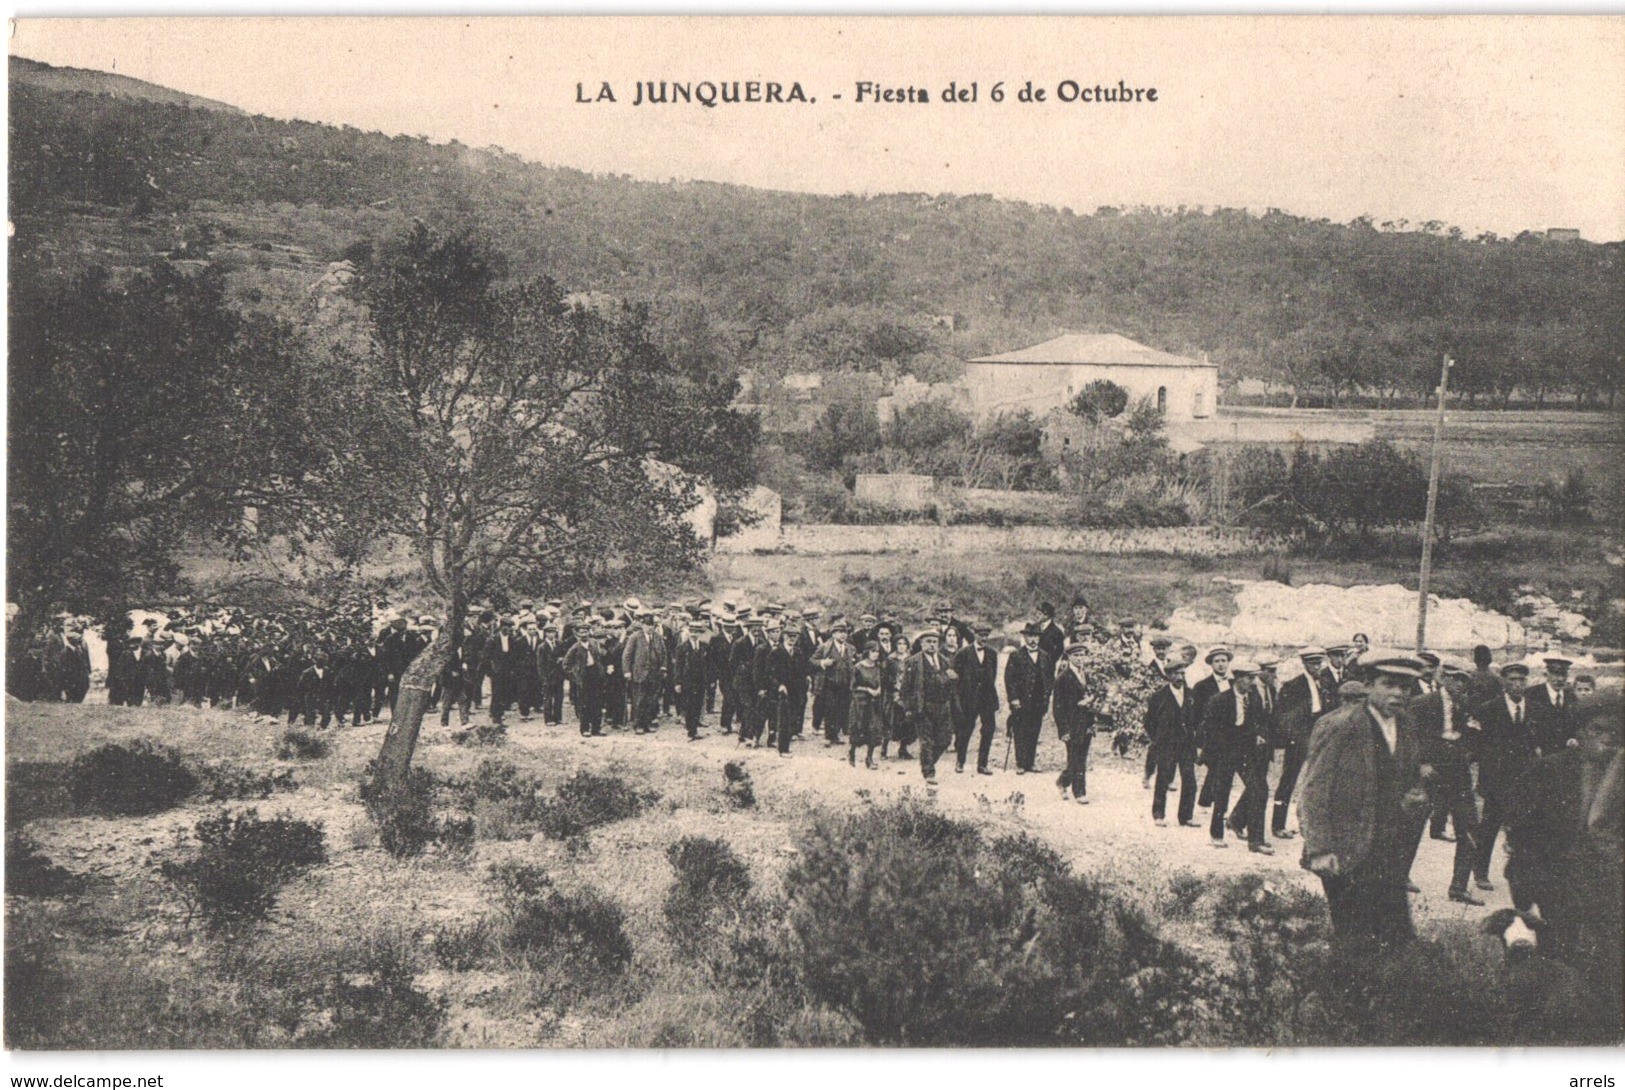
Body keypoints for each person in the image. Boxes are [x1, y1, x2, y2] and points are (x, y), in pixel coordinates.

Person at [1297, 652, 1431, 946]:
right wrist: (1320, 849)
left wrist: (1414, 796)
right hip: (1345, 852)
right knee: (1355, 938)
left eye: (1405, 687)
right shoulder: (1341, 725)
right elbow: (1313, 790)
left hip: (1389, 852)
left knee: (1397, 939)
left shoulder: (1406, 725)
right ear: (1368, 685)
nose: (1398, 693)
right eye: (1389, 684)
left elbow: (1407, 778)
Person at [1406, 656, 1483, 904]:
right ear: (1444, 678)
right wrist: (1420, 763)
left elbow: (1474, 734)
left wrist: (1467, 754)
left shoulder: (1468, 705)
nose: (1461, 685)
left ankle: (1458, 887)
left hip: (1458, 771)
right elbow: (1409, 737)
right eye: (1456, 679)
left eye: (1465, 680)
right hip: (1430, 770)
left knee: (1469, 824)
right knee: (1413, 823)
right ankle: (1399, 876)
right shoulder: (1422, 703)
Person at [1470, 661, 1539, 892]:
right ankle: (1480, 871)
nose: (1517, 684)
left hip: (1524, 777)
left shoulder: (1535, 708)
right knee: (1490, 825)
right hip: (1496, 778)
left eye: (1521, 680)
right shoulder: (1489, 708)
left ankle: (1520, 874)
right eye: (1512, 680)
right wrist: (1484, 774)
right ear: (1504, 683)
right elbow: (1478, 744)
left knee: (1522, 825)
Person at [1199, 660, 1270, 852]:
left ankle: (1256, 841)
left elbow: (1259, 721)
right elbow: (1208, 729)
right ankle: (1216, 834)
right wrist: (1217, 752)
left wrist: (1259, 735)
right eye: (1249, 678)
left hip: (1246, 753)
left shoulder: (1254, 698)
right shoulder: (1220, 700)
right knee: (1222, 793)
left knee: (1259, 789)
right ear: (1238, 679)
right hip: (1224, 752)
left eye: (1254, 678)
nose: (1252, 682)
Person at [1272, 646, 1335, 839]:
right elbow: (1285, 717)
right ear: (1305, 664)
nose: (1317, 667)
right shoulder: (1293, 686)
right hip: (1298, 740)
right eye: (1313, 663)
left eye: (1319, 663)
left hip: (1317, 737)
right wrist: (1296, 739)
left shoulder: (1323, 683)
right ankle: (1277, 824)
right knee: (1288, 781)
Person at [1146, 660, 1199, 826]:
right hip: (1167, 745)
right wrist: (1159, 739)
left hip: (1187, 745)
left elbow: (1197, 720)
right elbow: (1149, 722)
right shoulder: (1159, 697)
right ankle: (1159, 814)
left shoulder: (1191, 695)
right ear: (1168, 676)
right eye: (1176, 673)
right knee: (1163, 779)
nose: (1180, 677)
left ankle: (1186, 816)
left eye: (1182, 673)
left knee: (1190, 780)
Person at [1052, 640, 1106, 804]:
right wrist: (1064, 730)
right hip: (1072, 723)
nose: (1080, 658)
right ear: (1069, 657)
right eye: (1076, 655)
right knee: (1076, 758)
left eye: (1082, 655)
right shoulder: (1063, 678)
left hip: (1087, 723)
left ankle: (1063, 781)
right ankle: (1079, 792)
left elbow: (1095, 695)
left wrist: (1092, 703)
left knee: (1080, 757)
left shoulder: (1087, 675)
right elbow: (1058, 707)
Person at [904, 629, 956, 785]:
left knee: (945, 740)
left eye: (934, 642)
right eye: (928, 641)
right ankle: (929, 772)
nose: (932, 645)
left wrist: (952, 679)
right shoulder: (913, 662)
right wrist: (908, 708)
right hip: (923, 707)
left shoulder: (945, 661)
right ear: (921, 643)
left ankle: (928, 762)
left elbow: (951, 685)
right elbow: (905, 688)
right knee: (926, 741)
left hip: (942, 707)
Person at [1003, 622, 1053, 775]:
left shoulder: (1045, 656)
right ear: (1024, 637)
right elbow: (1009, 679)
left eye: (1036, 637)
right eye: (1030, 636)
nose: (1033, 640)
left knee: (1034, 730)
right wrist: (1014, 699)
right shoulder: (1016, 656)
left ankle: (1031, 762)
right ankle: (1020, 763)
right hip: (1022, 701)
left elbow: (1050, 678)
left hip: (1038, 701)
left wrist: (1047, 697)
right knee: (1020, 730)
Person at [952, 623, 1001, 775]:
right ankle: (960, 761)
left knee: (988, 730)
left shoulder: (992, 654)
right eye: (981, 635)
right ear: (974, 635)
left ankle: (982, 764)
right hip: (968, 699)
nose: (984, 638)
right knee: (965, 730)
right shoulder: (963, 653)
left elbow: (993, 676)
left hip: (987, 699)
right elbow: (956, 678)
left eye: (986, 635)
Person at [1526, 656, 1578, 756]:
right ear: (1547, 674)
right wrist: (1534, 745)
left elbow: (1575, 723)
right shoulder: (1532, 694)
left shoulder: (1571, 696)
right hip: (1539, 752)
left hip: (1565, 752)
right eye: (1555, 674)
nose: (1560, 679)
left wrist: (1572, 738)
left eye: (1563, 675)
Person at [849, 640, 885, 768]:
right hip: (861, 702)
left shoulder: (878, 666)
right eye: (873, 651)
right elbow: (853, 687)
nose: (875, 654)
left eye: (877, 652)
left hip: (874, 703)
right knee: (858, 728)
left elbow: (881, 680)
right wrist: (867, 690)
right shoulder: (858, 667)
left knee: (873, 729)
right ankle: (852, 753)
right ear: (867, 652)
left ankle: (869, 758)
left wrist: (879, 689)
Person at [673, 620, 710, 740]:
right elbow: (678, 666)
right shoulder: (682, 648)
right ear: (689, 632)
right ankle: (691, 730)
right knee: (689, 705)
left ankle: (694, 729)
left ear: (700, 633)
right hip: (687, 681)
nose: (694, 634)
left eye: (697, 632)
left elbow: (709, 665)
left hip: (701, 681)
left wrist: (710, 679)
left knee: (698, 705)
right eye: (692, 632)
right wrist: (677, 682)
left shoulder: (705, 646)